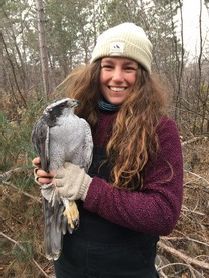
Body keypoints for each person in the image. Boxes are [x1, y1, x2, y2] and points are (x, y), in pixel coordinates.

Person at [33, 22, 183, 278]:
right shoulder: (77, 117)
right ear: (96, 70)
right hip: (70, 266)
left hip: (128, 269)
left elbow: (163, 214)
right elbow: (59, 174)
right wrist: (49, 177)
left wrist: (88, 188)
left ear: (142, 75)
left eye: (129, 68)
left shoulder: (160, 129)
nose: (117, 77)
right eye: (108, 66)